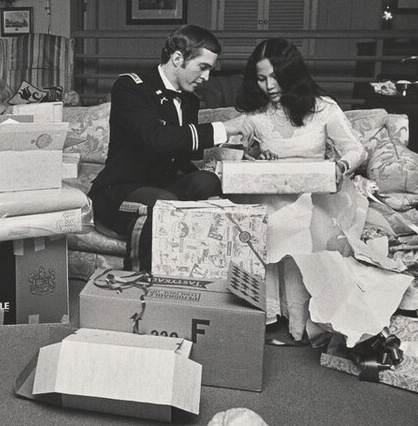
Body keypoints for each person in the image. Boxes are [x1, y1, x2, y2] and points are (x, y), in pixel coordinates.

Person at [232, 38, 369, 341]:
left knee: (297, 222)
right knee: (266, 219)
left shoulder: (323, 108)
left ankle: (301, 319)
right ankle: (267, 314)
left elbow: (357, 150)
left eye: (275, 77)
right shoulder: (256, 114)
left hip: (314, 196)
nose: (268, 85)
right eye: (261, 77)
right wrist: (253, 153)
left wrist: (340, 166)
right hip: (269, 192)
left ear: (292, 74)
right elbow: (232, 147)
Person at [88, 24, 239, 270]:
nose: (207, 77)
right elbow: (157, 139)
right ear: (177, 58)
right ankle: (139, 282)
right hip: (119, 190)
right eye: (203, 67)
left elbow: (182, 153)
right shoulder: (131, 87)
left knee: (207, 181)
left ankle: (202, 267)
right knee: (162, 203)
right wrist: (226, 128)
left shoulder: (189, 98)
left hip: (161, 186)